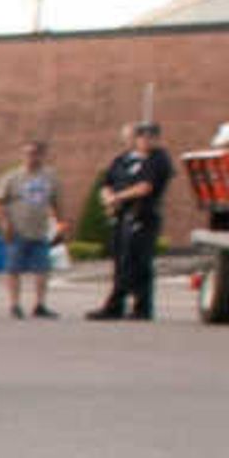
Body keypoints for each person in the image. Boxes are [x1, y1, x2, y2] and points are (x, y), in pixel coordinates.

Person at [90, 120, 175, 320]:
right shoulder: (123, 159)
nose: (146, 140)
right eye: (142, 136)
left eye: (151, 137)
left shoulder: (158, 159)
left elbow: (145, 187)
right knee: (121, 261)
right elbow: (107, 182)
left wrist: (118, 197)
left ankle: (138, 306)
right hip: (121, 217)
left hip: (142, 216)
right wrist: (108, 199)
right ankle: (119, 305)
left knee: (138, 263)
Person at [0, 138, 66, 317]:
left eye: (35, 154)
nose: (30, 157)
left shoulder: (50, 177)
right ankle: (14, 304)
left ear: (42, 156)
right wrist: (5, 223)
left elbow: (57, 202)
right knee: (13, 268)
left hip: (40, 230)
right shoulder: (12, 177)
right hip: (17, 229)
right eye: (27, 154)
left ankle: (40, 304)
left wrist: (61, 224)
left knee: (42, 269)